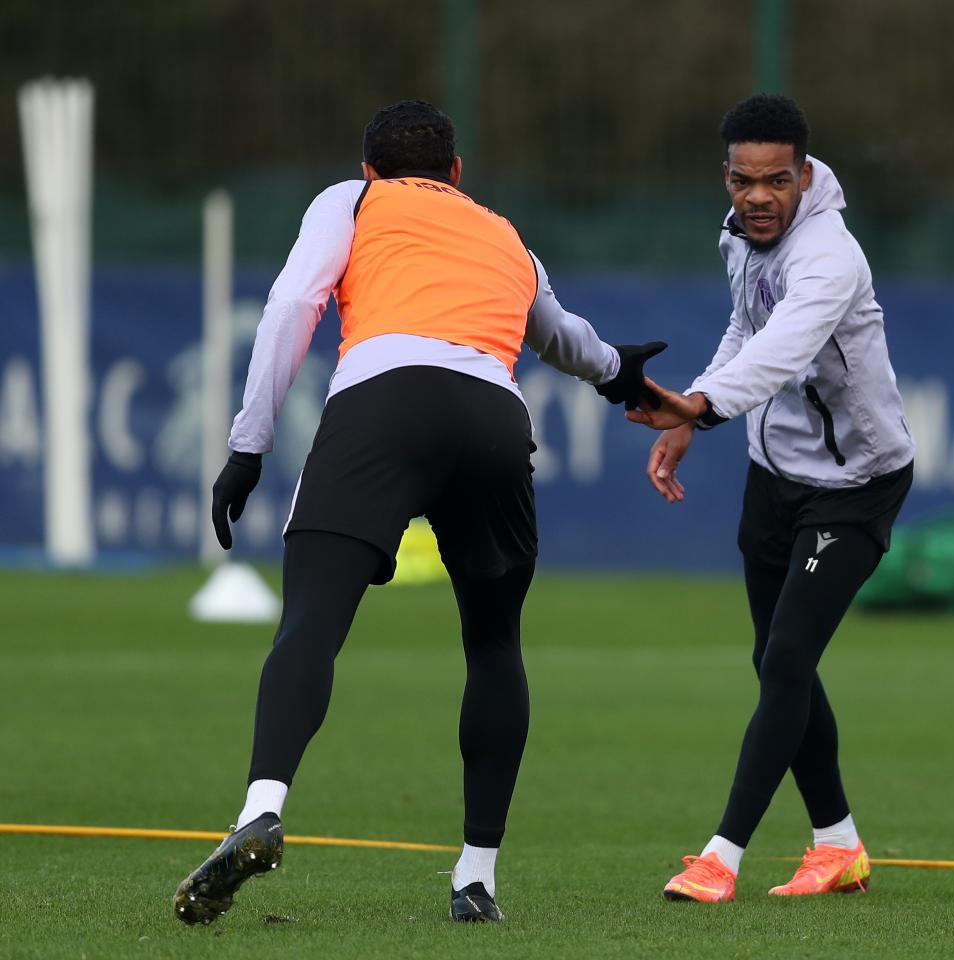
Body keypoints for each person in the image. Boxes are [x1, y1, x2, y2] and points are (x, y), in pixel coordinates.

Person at [172, 100, 664, 926]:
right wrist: (622, 374)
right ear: (458, 175)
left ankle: (262, 809)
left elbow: (295, 305)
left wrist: (248, 444)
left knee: (311, 626)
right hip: (494, 420)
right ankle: (476, 877)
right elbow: (562, 336)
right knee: (495, 644)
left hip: (381, 405)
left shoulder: (352, 201)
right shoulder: (504, 233)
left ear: (370, 169)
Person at [628, 94, 915, 902]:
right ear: (726, 175)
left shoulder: (831, 257)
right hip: (776, 476)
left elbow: (785, 350)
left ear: (806, 174)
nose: (758, 197)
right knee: (773, 660)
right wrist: (693, 409)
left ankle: (721, 856)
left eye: (777, 181)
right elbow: (745, 327)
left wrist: (703, 408)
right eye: (743, 180)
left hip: (857, 484)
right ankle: (839, 846)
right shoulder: (740, 235)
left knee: (788, 658)